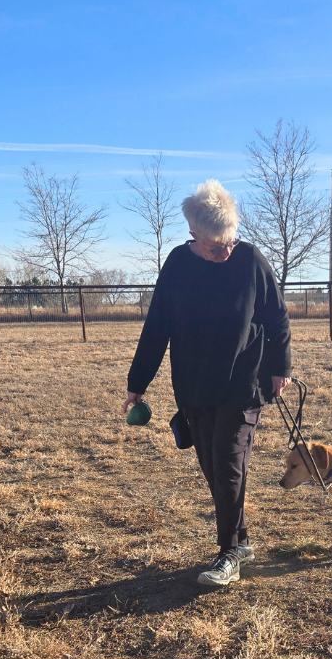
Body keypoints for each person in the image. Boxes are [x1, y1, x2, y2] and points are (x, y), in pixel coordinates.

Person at [122, 180, 292, 586]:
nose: (225, 252)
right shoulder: (178, 265)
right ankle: (242, 540)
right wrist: (137, 383)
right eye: (216, 248)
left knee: (229, 464)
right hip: (194, 387)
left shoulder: (250, 259)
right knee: (214, 470)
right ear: (194, 235)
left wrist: (280, 367)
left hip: (243, 385)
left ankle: (228, 554)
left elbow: (277, 317)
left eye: (230, 242)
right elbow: (156, 327)